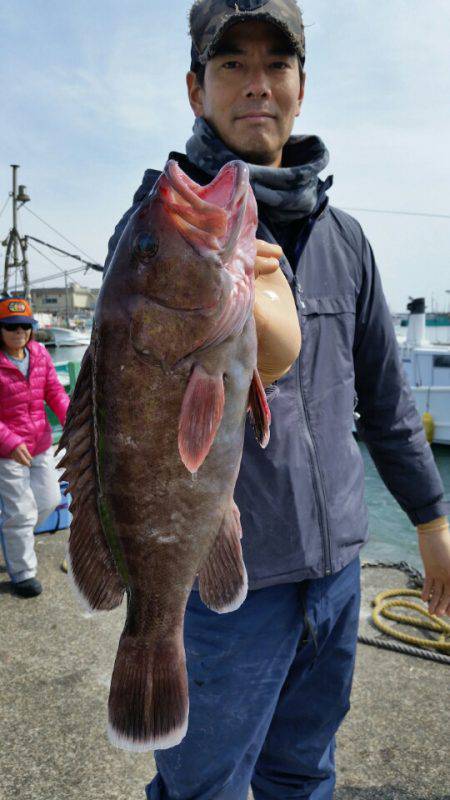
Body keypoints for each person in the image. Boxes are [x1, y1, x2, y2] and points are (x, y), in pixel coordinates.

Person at [104, 2, 450, 797]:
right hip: (226, 594)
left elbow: (388, 402)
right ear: (196, 89)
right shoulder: (160, 229)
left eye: (276, 65)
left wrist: (431, 523)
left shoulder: (347, 240)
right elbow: (116, 406)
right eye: (231, 65)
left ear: (301, 86)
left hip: (334, 577)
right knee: (206, 788)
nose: (256, 84)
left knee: (305, 773)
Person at [0, 296, 70, 598]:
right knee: (21, 514)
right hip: (8, 451)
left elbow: (55, 392)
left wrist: (73, 421)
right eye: (12, 327)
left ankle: (16, 540)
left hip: (40, 444)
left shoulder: (39, 354)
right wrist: (10, 442)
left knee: (49, 499)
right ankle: (23, 573)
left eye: (25, 327)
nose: (19, 333)